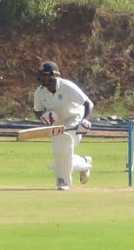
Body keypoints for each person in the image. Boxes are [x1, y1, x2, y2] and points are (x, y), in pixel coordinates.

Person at [32, 61, 93, 190]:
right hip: (57, 123)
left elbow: (88, 104)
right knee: (60, 151)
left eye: (47, 75)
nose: (44, 78)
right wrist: (43, 117)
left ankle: (63, 182)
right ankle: (83, 162)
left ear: (55, 75)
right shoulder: (39, 92)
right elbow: (37, 110)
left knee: (64, 146)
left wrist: (85, 120)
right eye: (42, 75)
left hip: (74, 118)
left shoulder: (67, 86)